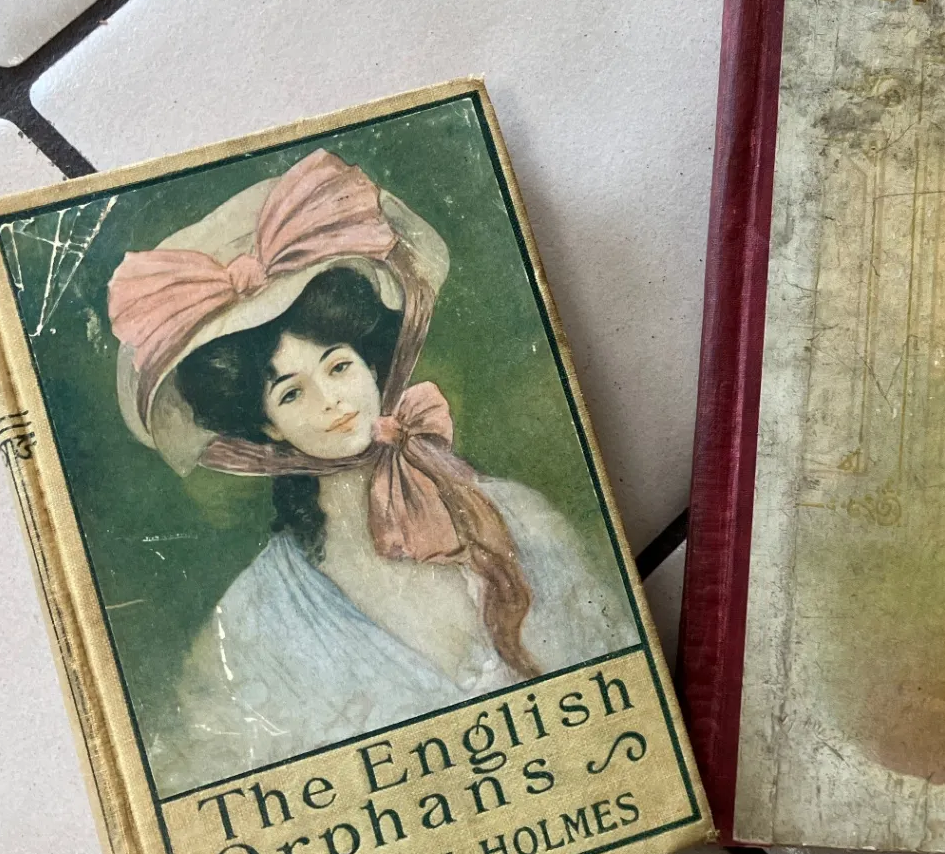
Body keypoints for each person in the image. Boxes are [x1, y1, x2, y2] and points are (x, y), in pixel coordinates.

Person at [107, 149, 635, 795]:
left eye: (337, 366)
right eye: (291, 393)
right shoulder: (251, 619)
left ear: (370, 362)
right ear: (268, 427)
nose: (330, 402)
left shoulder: (517, 515)